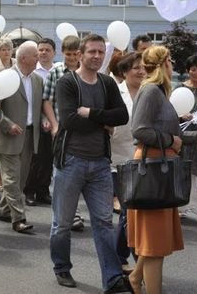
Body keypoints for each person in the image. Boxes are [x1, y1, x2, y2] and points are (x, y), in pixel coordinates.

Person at [50, 34, 131, 293]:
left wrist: (92, 113)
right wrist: (103, 122)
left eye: (99, 52)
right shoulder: (68, 82)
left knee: (104, 224)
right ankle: (62, 267)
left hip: (99, 165)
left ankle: (112, 279)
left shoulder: (107, 83)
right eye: (91, 52)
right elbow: (70, 120)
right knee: (62, 223)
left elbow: (122, 115)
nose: (96, 56)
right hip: (71, 162)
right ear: (81, 54)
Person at [126, 46, 184, 294]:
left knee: (154, 241)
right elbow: (138, 130)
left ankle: (136, 277)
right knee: (155, 248)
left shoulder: (154, 90)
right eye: (170, 60)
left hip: (159, 168)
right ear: (164, 64)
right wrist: (170, 140)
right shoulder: (151, 90)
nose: (173, 65)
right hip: (153, 169)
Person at [0, 41, 43, 233]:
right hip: (8, 137)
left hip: (30, 136)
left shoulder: (38, 80)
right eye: (35, 55)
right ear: (23, 58)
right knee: (11, 180)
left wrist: (45, 119)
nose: (38, 58)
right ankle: (18, 218)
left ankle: (5, 210)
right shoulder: (5, 76)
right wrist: (7, 125)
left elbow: (39, 107)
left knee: (20, 180)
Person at [43, 35, 84, 231]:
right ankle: (65, 213)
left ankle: (73, 211)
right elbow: (47, 101)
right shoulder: (56, 72)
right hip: (62, 129)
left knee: (79, 172)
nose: (71, 58)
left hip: (83, 130)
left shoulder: (86, 72)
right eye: (68, 54)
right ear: (62, 53)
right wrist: (54, 124)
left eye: (75, 54)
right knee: (61, 171)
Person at [111, 52, 145, 273]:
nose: (141, 71)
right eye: (136, 68)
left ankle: (121, 254)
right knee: (127, 211)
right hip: (118, 161)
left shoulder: (148, 93)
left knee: (132, 211)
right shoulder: (116, 95)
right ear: (124, 72)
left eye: (144, 67)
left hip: (143, 162)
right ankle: (132, 257)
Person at [175, 54, 197, 218]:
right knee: (184, 169)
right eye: (193, 69)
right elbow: (172, 110)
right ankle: (182, 206)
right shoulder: (179, 89)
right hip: (184, 134)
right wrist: (182, 115)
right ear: (188, 71)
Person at [24, 38, 56, 206]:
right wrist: (43, 118)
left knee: (49, 159)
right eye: (40, 50)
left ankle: (43, 191)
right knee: (35, 158)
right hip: (35, 121)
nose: (43, 53)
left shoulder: (58, 71)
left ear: (54, 53)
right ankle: (29, 190)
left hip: (55, 121)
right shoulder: (32, 73)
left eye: (47, 50)